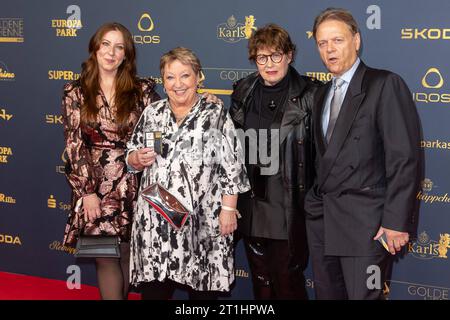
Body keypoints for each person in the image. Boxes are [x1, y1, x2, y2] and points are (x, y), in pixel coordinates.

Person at [304, 8, 422, 300]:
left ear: (356, 40)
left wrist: (395, 222)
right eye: (322, 43)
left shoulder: (384, 85)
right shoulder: (321, 94)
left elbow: (404, 159)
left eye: (337, 40)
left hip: (366, 227)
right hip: (324, 224)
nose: (329, 50)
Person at [126, 47, 250, 300]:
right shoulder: (153, 113)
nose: (178, 84)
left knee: (202, 292)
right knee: (154, 291)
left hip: (202, 222)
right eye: (170, 77)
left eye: (185, 76)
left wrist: (228, 210)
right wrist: (136, 159)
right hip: (155, 222)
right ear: (163, 81)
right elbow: (130, 155)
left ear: (198, 77)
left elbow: (232, 165)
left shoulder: (214, 113)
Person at [62, 22, 160, 300]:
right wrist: (87, 191)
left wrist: (150, 154)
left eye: (119, 47)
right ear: (95, 48)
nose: (111, 52)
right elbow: (74, 144)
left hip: (133, 180)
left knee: (127, 253)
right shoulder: (75, 91)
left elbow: (161, 128)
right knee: (104, 256)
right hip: (92, 182)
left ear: (126, 55)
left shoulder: (143, 90)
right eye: (106, 44)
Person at [229, 23, 322, 300]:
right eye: (261, 57)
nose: (269, 64)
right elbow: (231, 145)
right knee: (262, 284)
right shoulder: (243, 89)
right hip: (251, 204)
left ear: (290, 55)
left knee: (288, 283)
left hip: (288, 206)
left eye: (276, 55)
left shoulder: (311, 95)